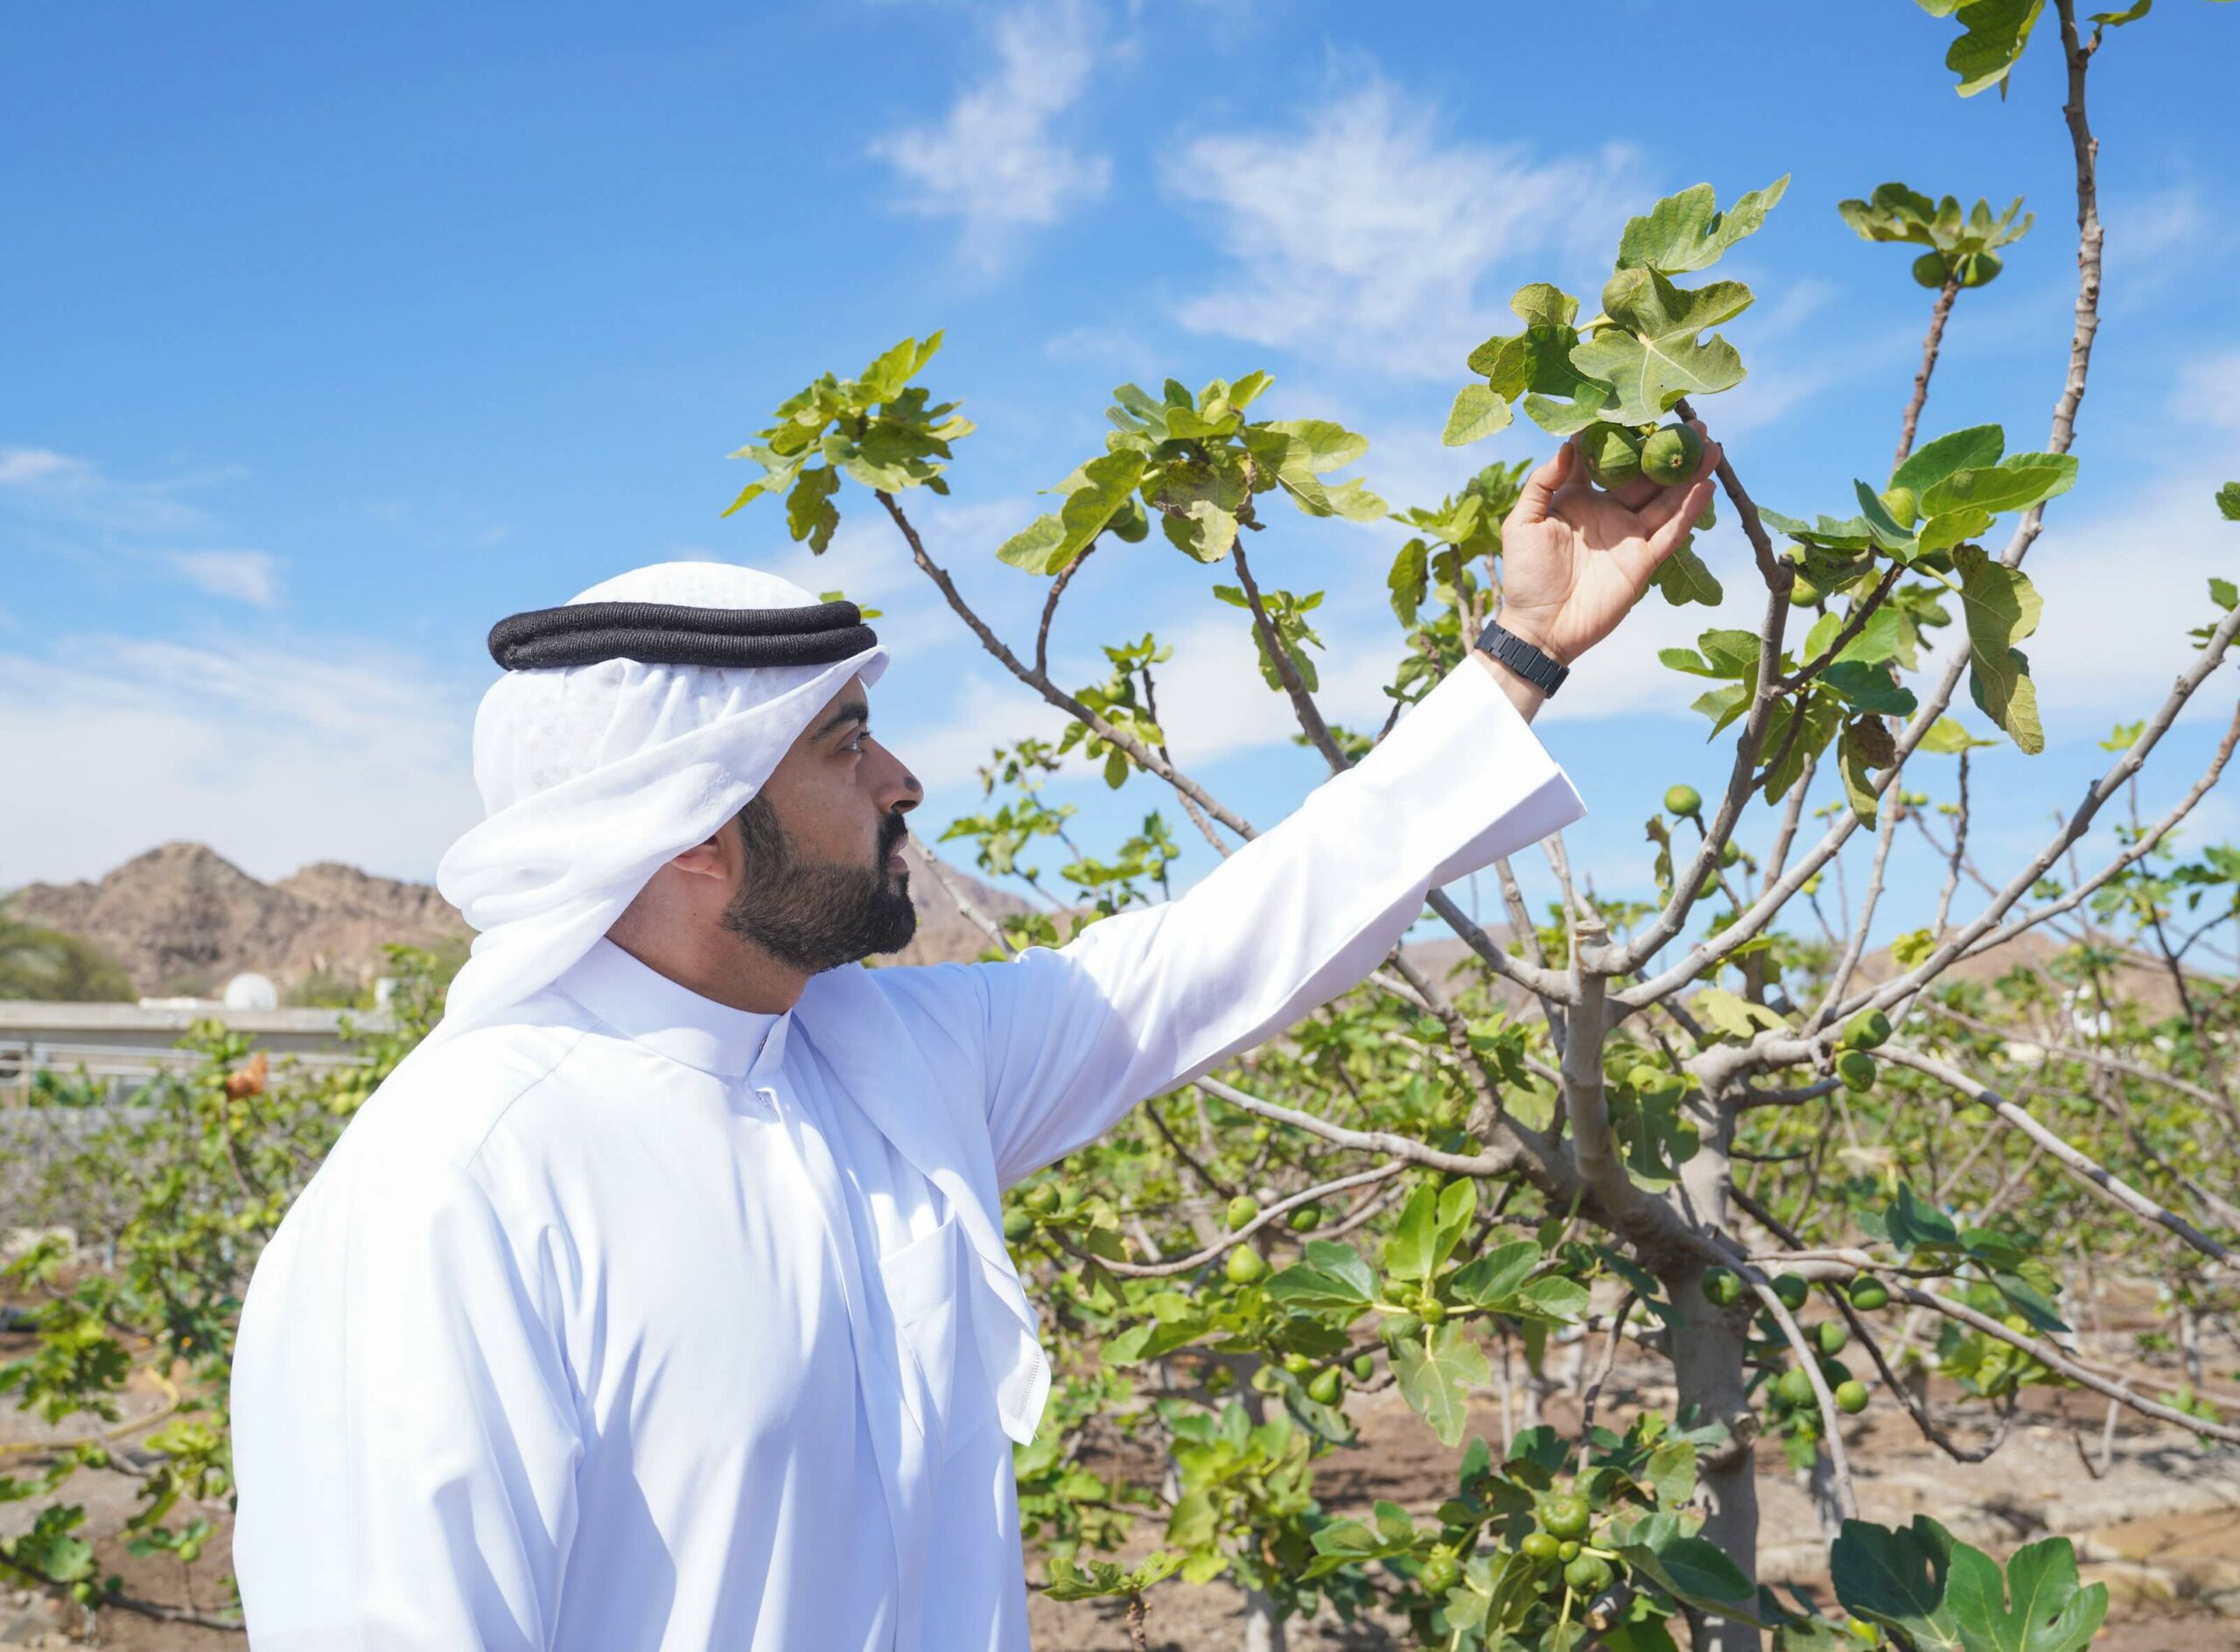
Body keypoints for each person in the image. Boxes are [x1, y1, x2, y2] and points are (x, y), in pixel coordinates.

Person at [228, 425, 1718, 1649]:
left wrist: (1519, 650)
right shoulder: (457, 1189)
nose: (905, 780)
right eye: (843, 745)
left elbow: (1222, 951)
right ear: (687, 831)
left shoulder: (884, 1061)